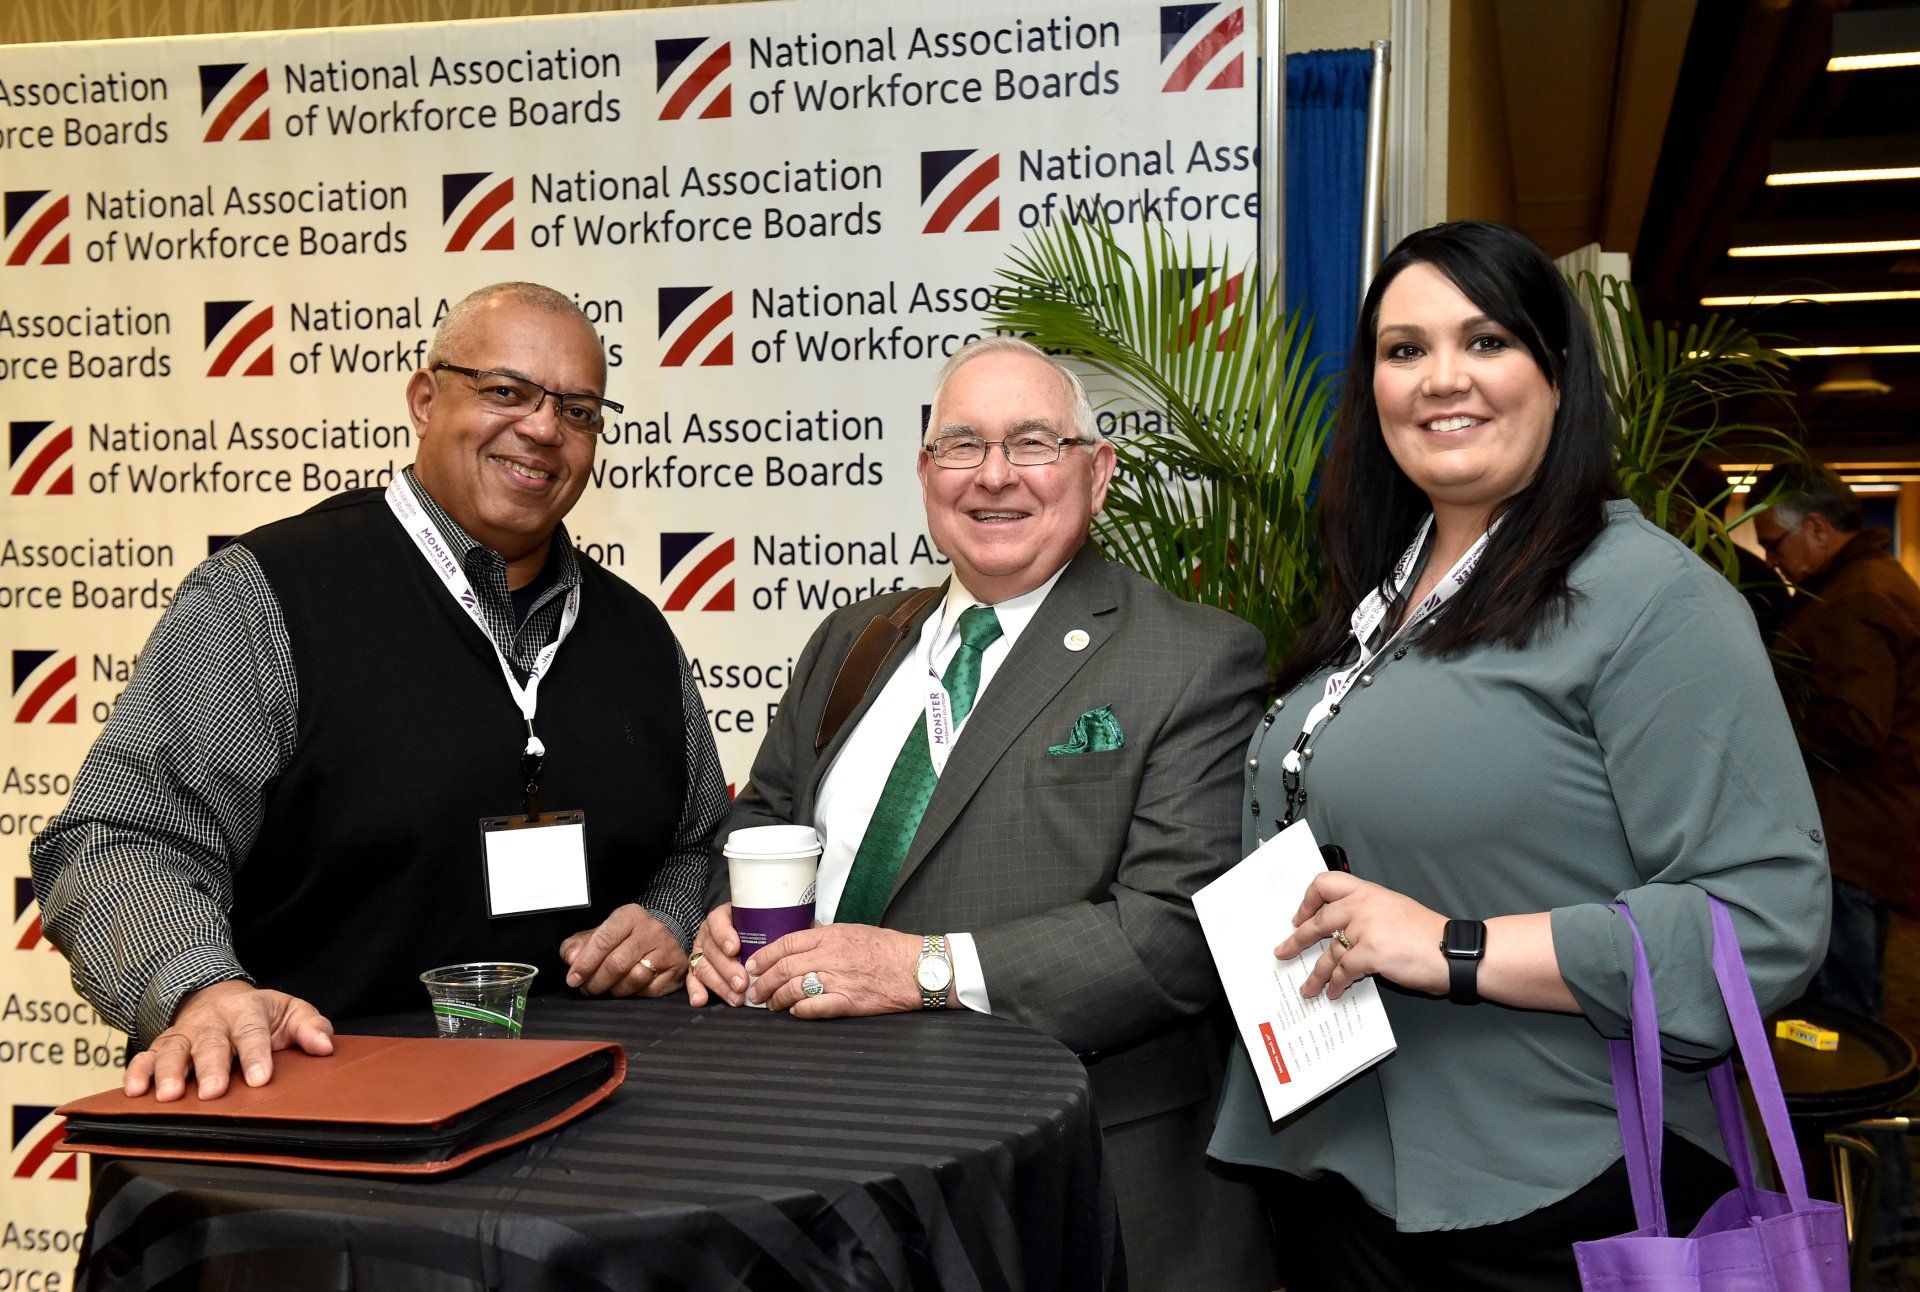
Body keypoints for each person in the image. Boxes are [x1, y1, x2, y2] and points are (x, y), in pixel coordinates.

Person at [1207, 222, 1830, 1290]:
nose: (1442, 378)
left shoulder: (1654, 602)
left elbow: (1764, 921)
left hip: (1555, 1188)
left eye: (1485, 340)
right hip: (1336, 1167)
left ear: (1557, 374)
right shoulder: (1378, 591)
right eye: (1403, 350)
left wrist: (1452, 944)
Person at [31, 282, 727, 1103]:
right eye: (505, 391)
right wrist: (203, 991)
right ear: (425, 400)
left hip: (597, 1121)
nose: (542, 429)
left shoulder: (638, 635)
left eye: (577, 411)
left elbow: (701, 841)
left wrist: (669, 921)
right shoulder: (264, 600)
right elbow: (122, 837)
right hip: (331, 1129)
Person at [683, 337, 1278, 1290]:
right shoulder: (853, 639)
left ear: (1099, 472)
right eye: (960, 445)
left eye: (1034, 443)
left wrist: (917, 969)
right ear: (925, 473)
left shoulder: (1191, 659)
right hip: (827, 1172)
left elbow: (1173, 934)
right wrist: (723, 919)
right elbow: (763, 817)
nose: (993, 476)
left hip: (1064, 1180)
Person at [1750, 461, 1920, 1016]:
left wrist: (1759, 723)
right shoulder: (1859, 583)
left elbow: (1856, 723)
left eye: (1775, 544)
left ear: (1818, 528)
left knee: (1840, 1019)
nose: (1771, 562)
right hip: (1858, 834)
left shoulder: (1858, 599)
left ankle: (1852, 1107)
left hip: (1852, 840)